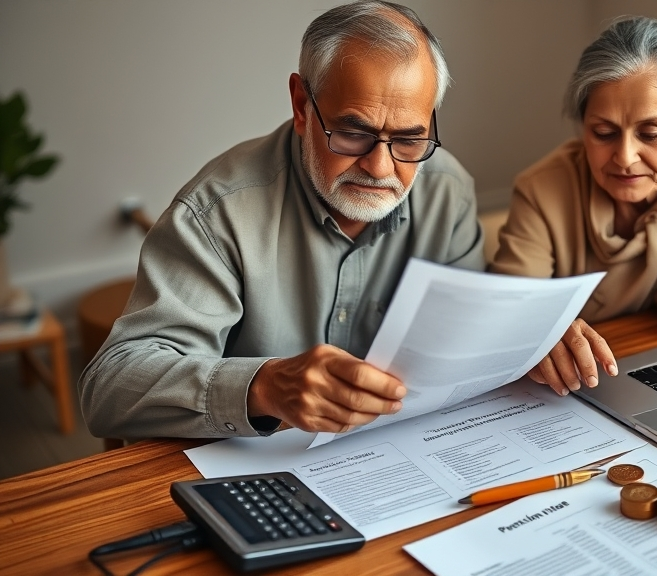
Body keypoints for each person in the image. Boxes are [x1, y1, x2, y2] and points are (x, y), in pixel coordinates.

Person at [79, 1, 487, 440]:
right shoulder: (218, 214)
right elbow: (109, 388)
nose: (381, 167)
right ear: (300, 106)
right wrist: (265, 386)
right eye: (353, 133)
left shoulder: (447, 191)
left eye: (408, 139)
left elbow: (466, 339)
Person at [489, 16, 657, 395]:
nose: (624, 157)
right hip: (581, 386)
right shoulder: (542, 189)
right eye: (603, 133)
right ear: (582, 127)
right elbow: (510, 313)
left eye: (651, 134)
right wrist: (538, 328)